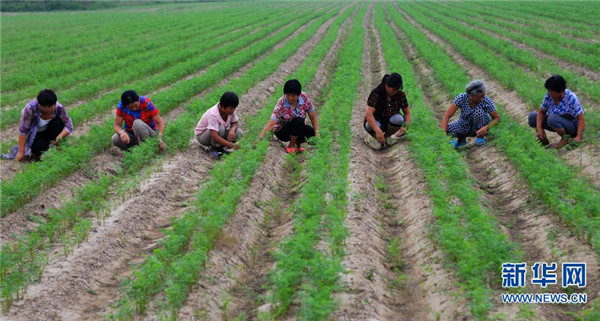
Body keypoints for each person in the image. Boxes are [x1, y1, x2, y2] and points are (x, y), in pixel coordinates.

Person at [3, 89, 73, 161]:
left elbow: (69, 125)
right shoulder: (30, 109)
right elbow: (23, 131)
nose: (52, 108)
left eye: (54, 104)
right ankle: (36, 154)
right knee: (37, 148)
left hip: (50, 131)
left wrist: (61, 135)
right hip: (36, 135)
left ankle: (58, 146)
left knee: (58, 123)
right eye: (49, 107)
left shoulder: (59, 107)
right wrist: (21, 152)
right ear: (41, 106)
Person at [260, 79, 319, 154]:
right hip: (283, 132)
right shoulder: (281, 103)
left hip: (298, 127)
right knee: (299, 121)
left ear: (299, 94)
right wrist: (260, 138)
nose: (290, 98)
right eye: (288, 95)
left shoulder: (305, 98)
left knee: (312, 135)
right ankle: (291, 146)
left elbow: (313, 118)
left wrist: (317, 134)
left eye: (293, 95)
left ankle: (298, 145)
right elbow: (271, 124)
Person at [528, 75, 585, 149]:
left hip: (572, 126)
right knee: (532, 117)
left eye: (551, 91)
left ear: (560, 91)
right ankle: (543, 139)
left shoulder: (571, 98)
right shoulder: (549, 96)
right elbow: (541, 112)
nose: (549, 93)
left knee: (552, 117)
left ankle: (566, 138)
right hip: (556, 122)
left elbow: (581, 119)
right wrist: (539, 129)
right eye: (548, 90)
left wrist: (579, 137)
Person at [441, 80, 500, 149]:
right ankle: (461, 140)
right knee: (447, 128)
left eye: (483, 96)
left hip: (480, 128)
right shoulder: (462, 98)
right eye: (479, 97)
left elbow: (497, 118)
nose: (482, 99)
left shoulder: (486, 100)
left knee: (478, 111)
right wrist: (443, 135)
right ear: (470, 96)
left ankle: (480, 138)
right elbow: (447, 115)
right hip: (464, 125)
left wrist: (486, 128)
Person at [364, 73, 411, 149]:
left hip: (390, 121)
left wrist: (406, 126)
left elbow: (407, 112)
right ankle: (375, 138)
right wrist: (378, 131)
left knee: (399, 119)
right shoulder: (376, 94)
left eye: (398, 89)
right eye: (394, 89)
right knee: (369, 125)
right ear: (386, 85)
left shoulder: (400, 95)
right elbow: (369, 114)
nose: (396, 92)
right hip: (377, 121)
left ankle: (387, 137)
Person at [195, 91, 243, 159]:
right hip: (203, 136)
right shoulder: (213, 114)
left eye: (234, 108)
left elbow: (235, 123)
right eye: (231, 108)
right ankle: (214, 149)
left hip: (216, 133)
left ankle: (220, 148)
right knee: (220, 128)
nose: (233, 110)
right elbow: (214, 136)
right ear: (223, 106)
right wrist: (231, 145)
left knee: (238, 133)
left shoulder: (230, 112)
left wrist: (232, 130)